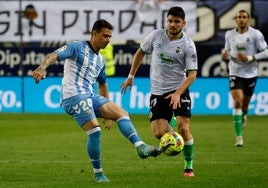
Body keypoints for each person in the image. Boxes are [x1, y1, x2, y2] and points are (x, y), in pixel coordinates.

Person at [32, 19, 160, 183]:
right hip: (72, 96)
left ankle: (140, 146)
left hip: (90, 96)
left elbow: (102, 85)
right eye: (105, 36)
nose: (108, 40)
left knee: (121, 113)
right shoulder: (77, 47)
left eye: (110, 37)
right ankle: (98, 173)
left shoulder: (100, 60)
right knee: (95, 131)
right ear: (94, 34)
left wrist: (107, 112)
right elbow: (54, 55)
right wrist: (42, 67)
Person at [121, 6, 198, 177]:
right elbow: (140, 52)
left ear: (183, 23)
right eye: (170, 20)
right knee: (158, 133)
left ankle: (188, 166)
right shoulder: (156, 36)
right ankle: (170, 119)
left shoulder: (188, 45)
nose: (172, 24)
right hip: (157, 91)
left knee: (183, 128)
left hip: (179, 89)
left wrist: (178, 92)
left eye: (177, 21)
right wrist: (131, 75)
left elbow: (192, 74)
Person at [222, 10, 268, 147]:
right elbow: (227, 50)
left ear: (248, 20)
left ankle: (244, 114)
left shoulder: (255, 34)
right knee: (237, 101)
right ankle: (239, 137)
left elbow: (266, 51)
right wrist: (226, 55)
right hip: (235, 72)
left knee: (245, 105)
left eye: (244, 17)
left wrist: (250, 58)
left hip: (251, 73)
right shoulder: (229, 34)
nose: (241, 19)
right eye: (239, 17)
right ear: (236, 20)